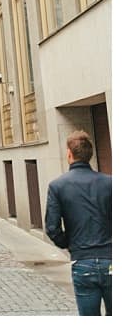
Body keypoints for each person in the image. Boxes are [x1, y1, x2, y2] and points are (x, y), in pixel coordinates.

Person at [45, 130, 112, 315]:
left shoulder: (57, 186)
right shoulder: (110, 183)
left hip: (82, 260)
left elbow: (52, 228)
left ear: (69, 154)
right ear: (89, 155)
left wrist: (69, 243)